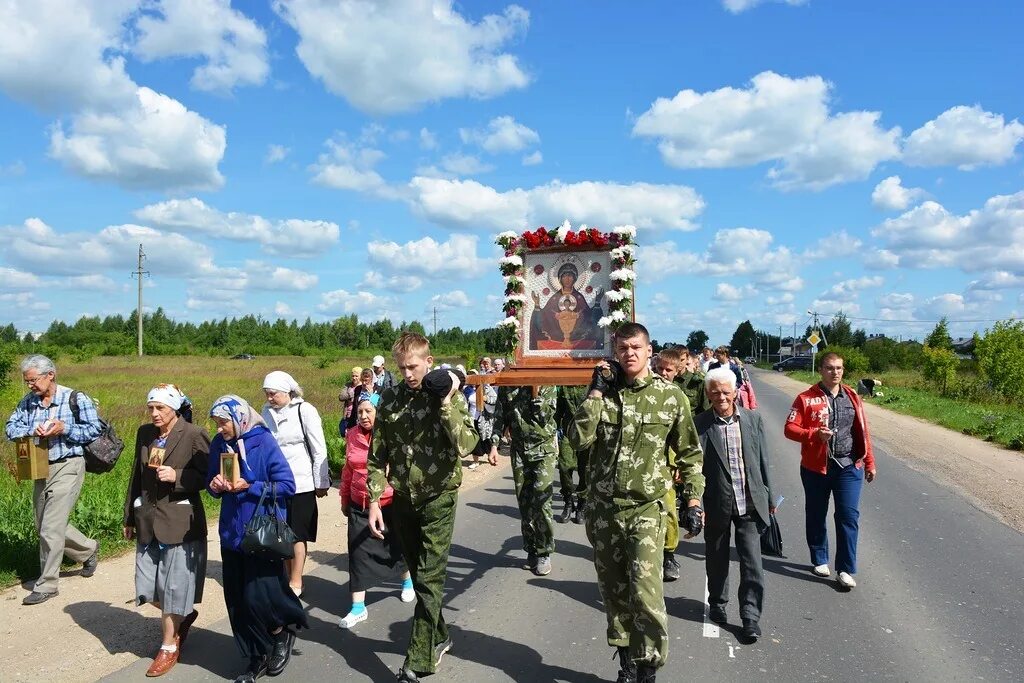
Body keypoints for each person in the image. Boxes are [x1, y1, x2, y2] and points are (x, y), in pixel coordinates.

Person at [568, 323, 705, 683]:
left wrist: (693, 499)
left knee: (646, 594)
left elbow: (690, 452)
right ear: (615, 351)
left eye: (636, 347)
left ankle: (648, 667)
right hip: (604, 510)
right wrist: (595, 393)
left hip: (647, 508)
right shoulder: (604, 394)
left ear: (649, 351)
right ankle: (627, 660)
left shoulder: (671, 397)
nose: (629, 353)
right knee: (614, 593)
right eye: (622, 347)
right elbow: (577, 440)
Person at [366, 332, 479, 682]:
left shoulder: (448, 394)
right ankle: (440, 635)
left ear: (428, 362)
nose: (408, 374)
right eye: (401, 368)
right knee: (418, 575)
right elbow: (376, 457)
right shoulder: (390, 398)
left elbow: (466, 443)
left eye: (413, 366)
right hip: (403, 501)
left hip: (439, 498)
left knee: (430, 579)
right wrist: (373, 500)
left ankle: (417, 661)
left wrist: (445, 401)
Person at [207, 395, 307, 683]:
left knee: (259, 597)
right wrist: (215, 485)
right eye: (216, 423)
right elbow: (211, 481)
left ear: (239, 418)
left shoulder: (263, 441)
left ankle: (280, 633)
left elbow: (287, 485)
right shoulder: (219, 444)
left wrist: (250, 486)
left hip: (261, 535)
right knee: (238, 599)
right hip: (231, 534)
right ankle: (255, 656)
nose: (219, 428)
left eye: (223, 422)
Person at [123, 384, 209, 676]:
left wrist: (179, 476)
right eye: (151, 408)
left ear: (174, 408)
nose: (154, 413)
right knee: (148, 588)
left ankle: (169, 647)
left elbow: (209, 476)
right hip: (147, 517)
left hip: (180, 522)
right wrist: (129, 517)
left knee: (173, 588)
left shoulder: (194, 435)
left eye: (160, 408)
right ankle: (181, 615)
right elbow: (137, 473)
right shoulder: (144, 433)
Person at [5, 354, 101, 605]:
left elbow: (94, 430)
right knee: (43, 526)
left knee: (51, 527)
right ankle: (89, 549)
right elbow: (10, 428)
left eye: (33, 380)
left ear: (51, 375)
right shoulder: (28, 403)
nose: (30, 386)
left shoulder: (75, 398)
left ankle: (47, 584)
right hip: (39, 468)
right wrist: (29, 430)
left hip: (69, 464)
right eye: (27, 381)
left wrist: (64, 429)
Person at [694, 368, 775, 642]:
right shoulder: (700, 424)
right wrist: (693, 503)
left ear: (735, 392)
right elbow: (693, 466)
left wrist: (770, 497)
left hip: (749, 501)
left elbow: (763, 461)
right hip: (716, 501)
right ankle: (717, 602)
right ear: (708, 394)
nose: (721, 397)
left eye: (726, 392)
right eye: (715, 392)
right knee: (716, 558)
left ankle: (750, 617)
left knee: (752, 562)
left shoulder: (753, 420)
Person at [784, 352, 877, 590]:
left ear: (843, 370)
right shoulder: (806, 398)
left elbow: (863, 431)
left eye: (838, 368)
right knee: (816, 513)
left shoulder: (853, 396)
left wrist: (869, 462)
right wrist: (813, 434)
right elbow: (790, 429)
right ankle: (819, 557)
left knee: (848, 516)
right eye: (829, 368)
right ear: (821, 370)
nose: (834, 372)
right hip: (817, 467)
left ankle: (845, 568)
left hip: (848, 465)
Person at [338, 395, 415, 628]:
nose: (363, 416)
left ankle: (407, 582)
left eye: (368, 411)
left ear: (379, 412)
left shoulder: (392, 432)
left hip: (389, 501)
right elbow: (348, 468)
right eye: (360, 411)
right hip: (358, 502)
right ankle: (358, 607)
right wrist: (344, 497)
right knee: (357, 553)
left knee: (396, 545)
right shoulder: (351, 434)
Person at [261, 371, 330, 597]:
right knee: (280, 532)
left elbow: (318, 448)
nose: (269, 398)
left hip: (301, 482)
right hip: (275, 483)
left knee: (298, 533)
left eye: (273, 394)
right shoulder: (265, 412)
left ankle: (296, 580)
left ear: (287, 392)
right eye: (267, 394)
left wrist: (321, 482)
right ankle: (284, 576)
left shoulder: (305, 410)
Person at [490, 384, 558, 575]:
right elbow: (499, 417)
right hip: (519, 450)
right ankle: (531, 549)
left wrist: (538, 401)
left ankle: (544, 550)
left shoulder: (545, 382)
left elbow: (547, 416)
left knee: (542, 501)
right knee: (525, 502)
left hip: (543, 448)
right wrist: (494, 445)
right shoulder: (507, 385)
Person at [652, 349, 686, 582]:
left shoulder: (677, 396)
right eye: (659, 369)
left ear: (677, 371)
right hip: (646, 464)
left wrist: (678, 465)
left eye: (668, 370)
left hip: (668, 465)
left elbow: (683, 438)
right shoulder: (649, 392)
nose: (663, 373)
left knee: (670, 513)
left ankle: (669, 555)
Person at [530, 262, 604, 350]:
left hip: (577, 341)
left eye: (570, 276)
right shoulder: (554, 298)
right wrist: (537, 305)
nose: (567, 279)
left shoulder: (579, 297)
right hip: (555, 340)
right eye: (564, 276)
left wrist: (597, 303)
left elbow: (589, 316)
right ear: (560, 279)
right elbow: (544, 316)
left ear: (575, 278)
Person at [554, 384, 590, 524]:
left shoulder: (592, 382)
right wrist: (554, 430)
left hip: (588, 432)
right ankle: (568, 502)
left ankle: (582, 503)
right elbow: (558, 409)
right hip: (568, 432)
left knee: (585, 470)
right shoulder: (565, 384)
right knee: (564, 467)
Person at [675, 350, 710, 416]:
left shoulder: (697, 381)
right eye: (677, 360)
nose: (679, 363)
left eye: (682, 360)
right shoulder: (667, 379)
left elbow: (705, 409)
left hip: (691, 422)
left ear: (687, 359)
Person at [338, 366, 363, 436]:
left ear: (361, 376)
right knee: (344, 433)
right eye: (353, 376)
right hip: (347, 415)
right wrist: (351, 395)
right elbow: (341, 397)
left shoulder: (363, 386)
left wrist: (350, 394)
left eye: (356, 376)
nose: (354, 378)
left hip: (357, 415)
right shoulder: (348, 385)